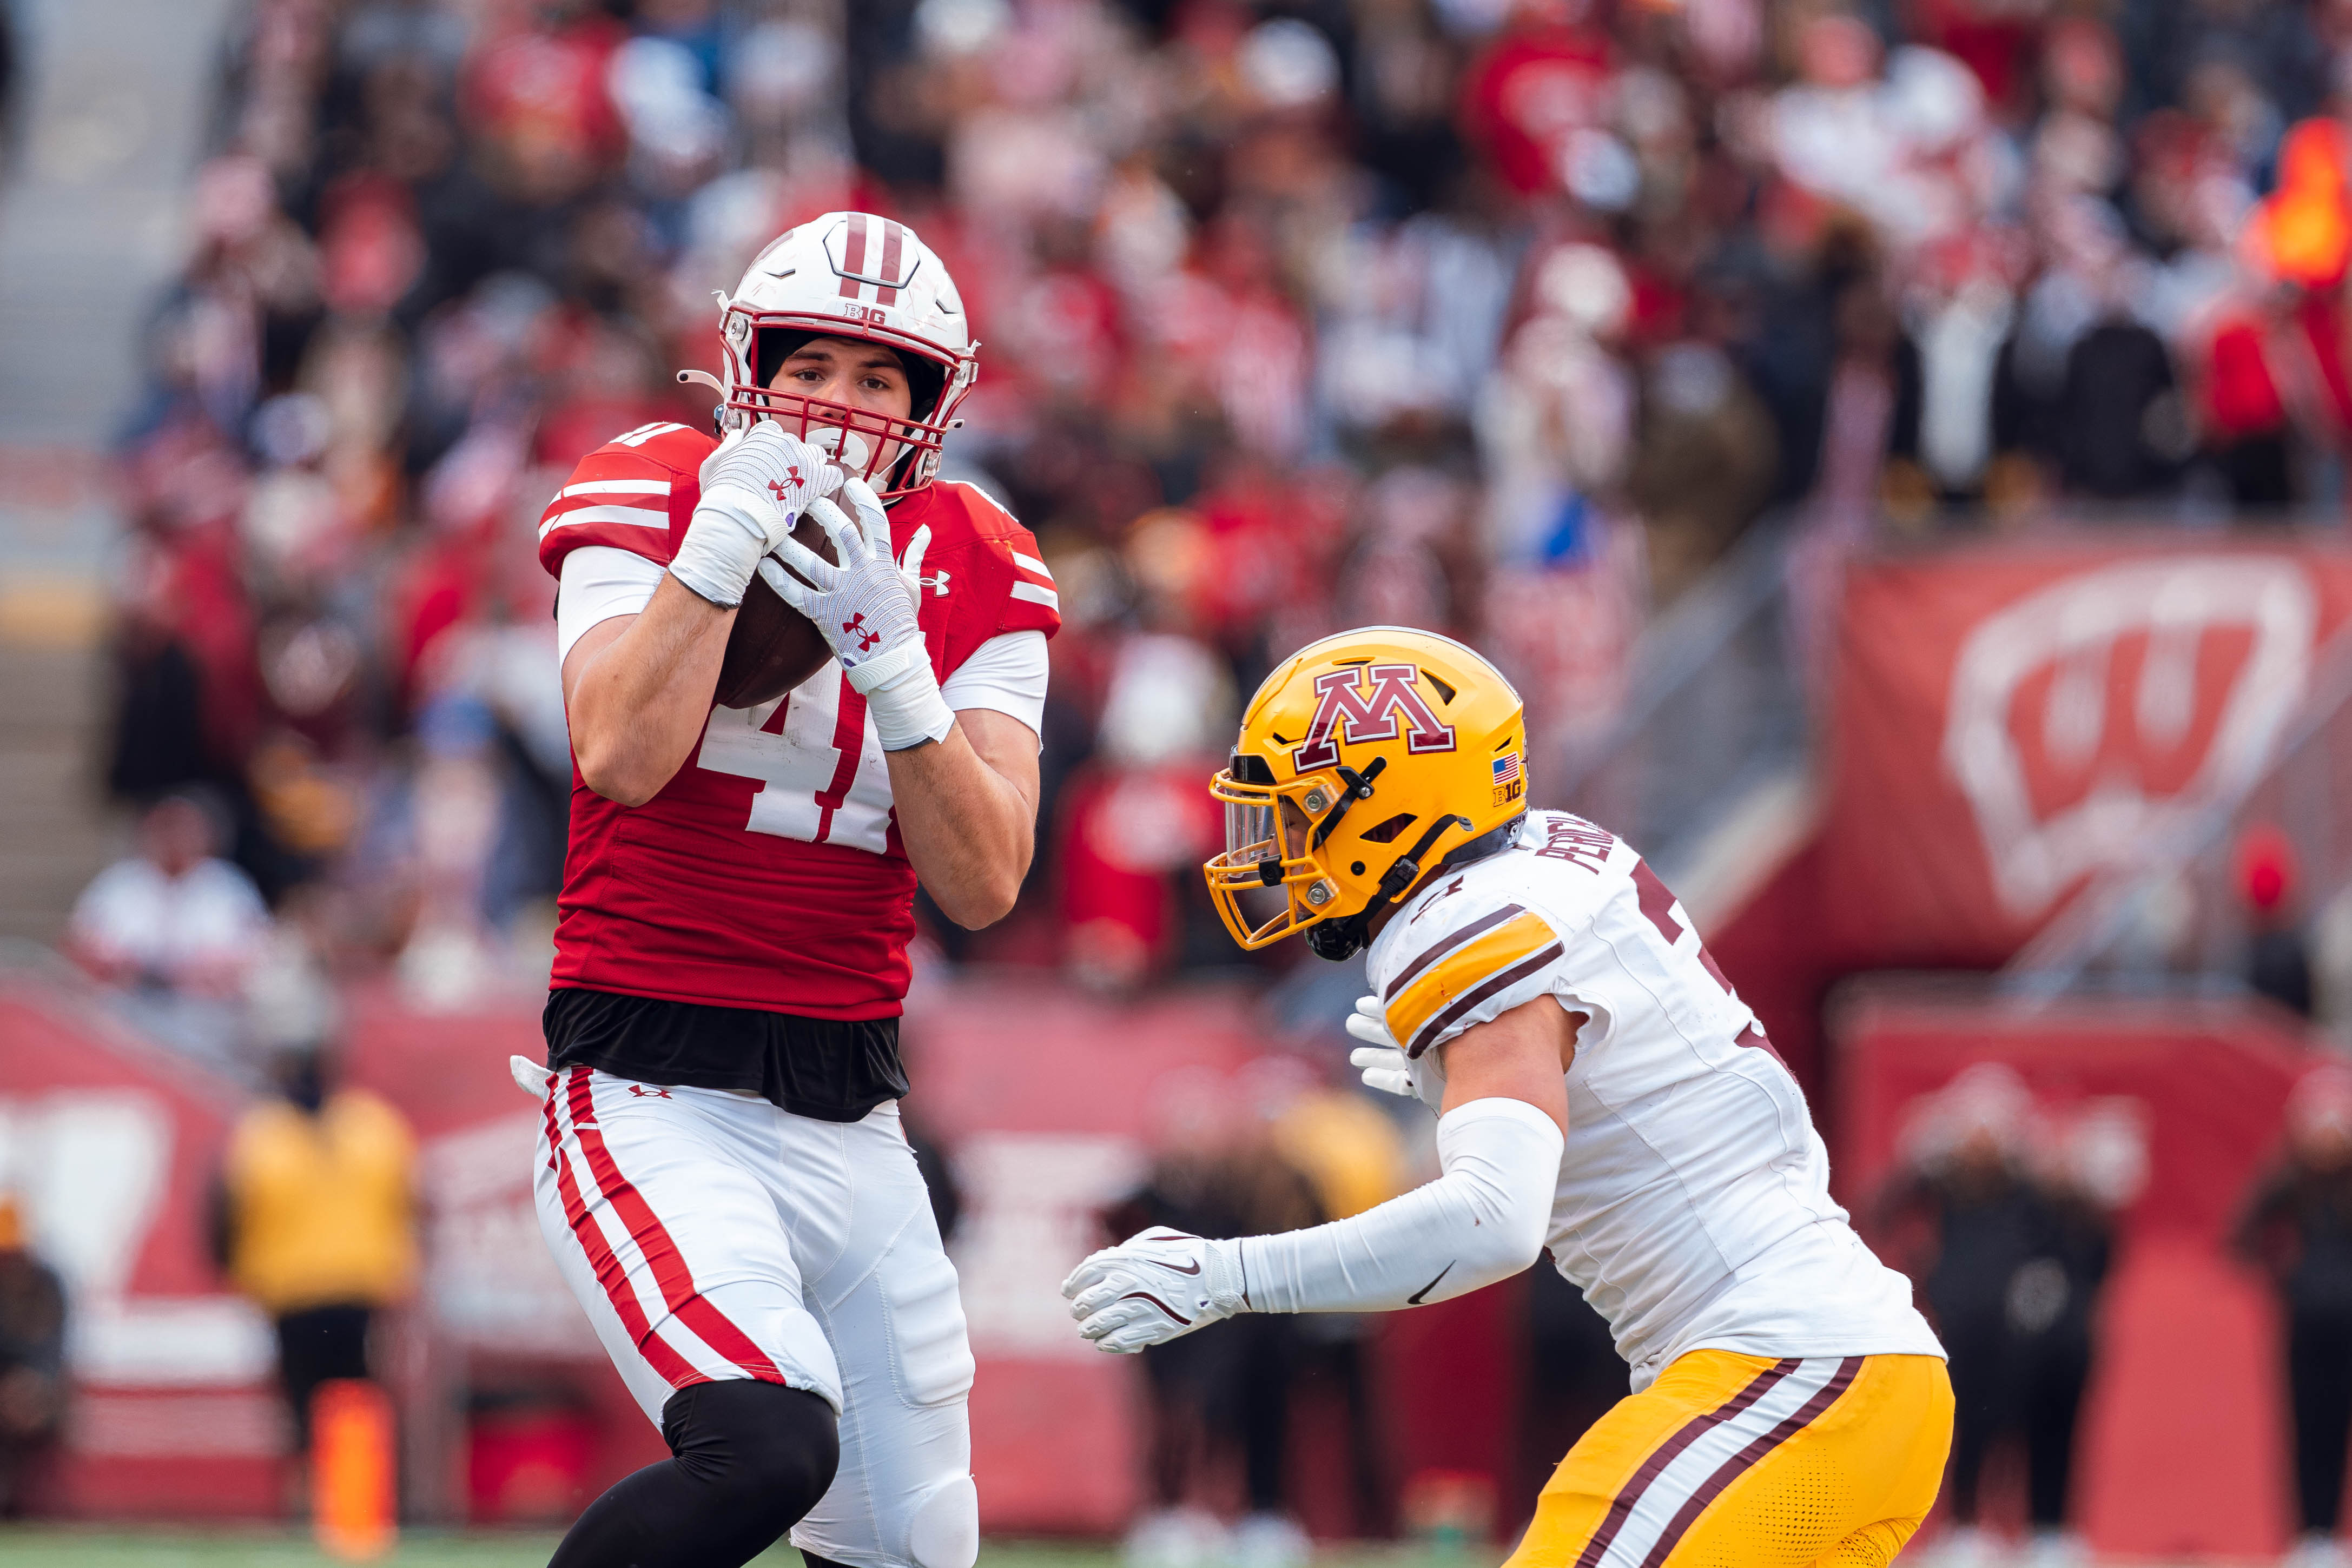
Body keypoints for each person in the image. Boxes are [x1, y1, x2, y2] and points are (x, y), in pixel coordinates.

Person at [1065, 628, 1951, 1567]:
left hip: (1783, 1373)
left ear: (1390, 804)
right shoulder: (1553, 857)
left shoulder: (1461, 927)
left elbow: (1492, 1221)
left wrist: (1226, 1276)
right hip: (1841, 1377)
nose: (1276, 845)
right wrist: (1454, 1063)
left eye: (1301, 809)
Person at [520, 211, 1058, 1568]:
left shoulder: (980, 558)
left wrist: (894, 666)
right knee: (766, 1445)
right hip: (651, 1083)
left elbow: (987, 879)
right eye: (811, 365)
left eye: (879, 377)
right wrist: (719, 549)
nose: (838, 403)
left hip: (854, 1114)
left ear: (929, 405)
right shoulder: (650, 483)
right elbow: (620, 753)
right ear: (748, 364)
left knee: (917, 1548)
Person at [216, 1044, 418, 1464]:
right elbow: (410, 1202)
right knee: (354, 1399)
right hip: (356, 1284)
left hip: (297, 1287)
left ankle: (321, 1498)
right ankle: (354, 1502)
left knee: (311, 1404)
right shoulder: (372, 1124)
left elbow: (227, 1209)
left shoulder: (264, 1132)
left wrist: (231, 1267)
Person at [2236, 1066, 2352, 1568]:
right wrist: (2286, 1273)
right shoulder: (2289, 1181)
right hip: (2305, 1324)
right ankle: (2309, 1534)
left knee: (2342, 1429)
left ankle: (2336, 1532)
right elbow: (2239, 1235)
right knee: (2306, 1427)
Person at [0, 1197, 65, 1517]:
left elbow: (53, 1347)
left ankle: (28, 1506)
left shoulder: (48, 1284)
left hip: (37, 1388)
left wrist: (31, 1386)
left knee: (35, 1409)